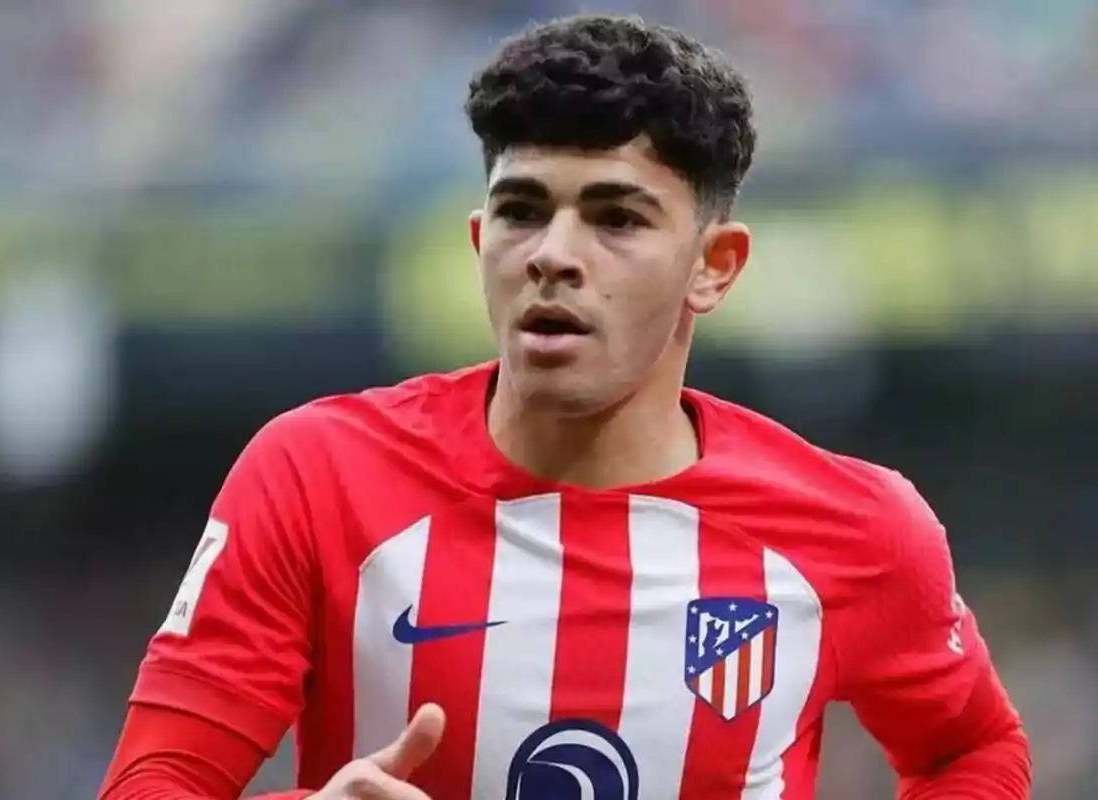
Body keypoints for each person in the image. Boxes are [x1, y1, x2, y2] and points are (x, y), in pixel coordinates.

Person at [98, 13, 1031, 800]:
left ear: (715, 266)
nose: (554, 252)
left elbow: (973, 749)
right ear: (479, 240)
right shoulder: (314, 475)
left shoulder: (859, 530)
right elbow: (155, 778)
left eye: (616, 218)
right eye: (522, 211)